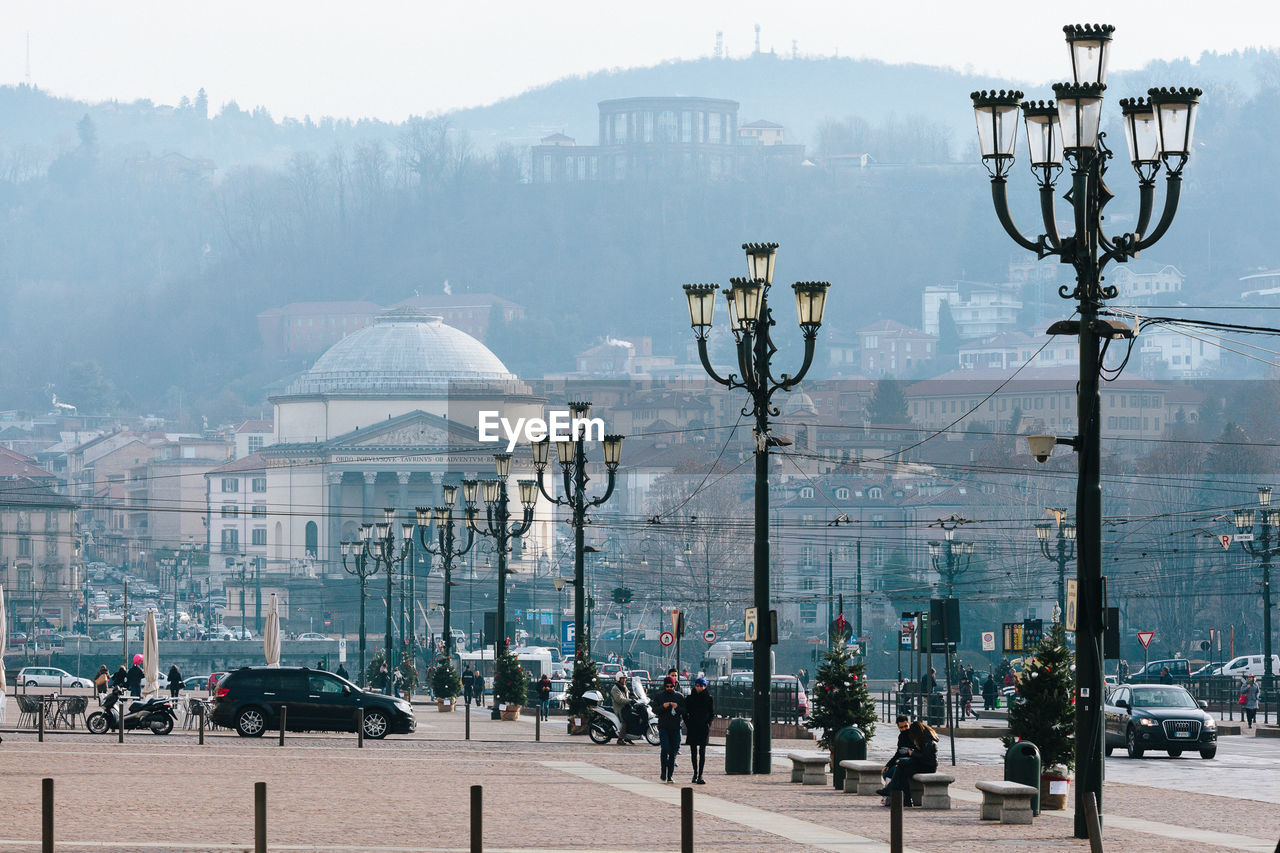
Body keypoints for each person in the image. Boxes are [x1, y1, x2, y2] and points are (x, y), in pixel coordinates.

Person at [878, 721, 938, 807]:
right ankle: (905, 799)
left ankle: (897, 794)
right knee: (902, 769)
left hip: (928, 767)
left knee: (902, 768)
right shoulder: (924, 739)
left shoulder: (928, 741)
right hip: (923, 764)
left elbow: (925, 757)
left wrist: (912, 753)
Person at [650, 675, 686, 783]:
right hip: (663, 726)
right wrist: (663, 706)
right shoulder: (659, 696)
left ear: (674, 686)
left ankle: (670, 775)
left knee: (673, 752)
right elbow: (654, 709)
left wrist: (677, 707)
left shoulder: (679, 696)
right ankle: (663, 771)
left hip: (675, 727)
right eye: (667, 686)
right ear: (664, 686)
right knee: (665, 749)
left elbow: (684, 711)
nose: (669, 688)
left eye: (671, 686)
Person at [683, 676, 714, 784]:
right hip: (693, 727)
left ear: (705, 686)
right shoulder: (690, 698)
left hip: (703, 728)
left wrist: (708, 724)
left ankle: (700, 774)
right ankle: (695, 773)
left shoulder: (709, 698)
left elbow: (712, 713)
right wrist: (688, 724)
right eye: (697, 685)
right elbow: (684, 713)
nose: (699, 688)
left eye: (701, 686)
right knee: (693, 752)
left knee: (702, 752)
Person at [880, 715, 913, 804]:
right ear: (898, 727)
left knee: (896, 771)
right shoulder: (901, 737)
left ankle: (890, 796)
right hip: (902, 762)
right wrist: (888, 765)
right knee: (886, 772)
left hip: (911, 763)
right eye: (901, 727)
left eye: (906, 726)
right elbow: (898, 754)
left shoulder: (913, 734)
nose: (904, 729)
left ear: (909, 723)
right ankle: (889, 797)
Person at [611, 672, 634, 744]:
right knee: (626, 720)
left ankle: (628, 737)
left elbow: (628, 694)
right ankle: (620, 739)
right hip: (620, 709)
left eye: (625, 678)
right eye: (622, 678)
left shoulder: (623, 686)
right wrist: (630, 701)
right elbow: (619, 700)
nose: (624, 680)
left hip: (625, 707)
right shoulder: (615, 688)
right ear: (618, 679)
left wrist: (636, 696)